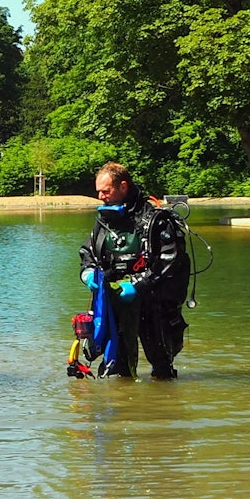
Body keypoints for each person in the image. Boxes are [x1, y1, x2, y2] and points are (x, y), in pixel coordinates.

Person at [78, 162, 189, 379]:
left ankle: (163, 397)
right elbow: (88, 252)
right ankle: (124, 392)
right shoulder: (104, 221)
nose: (100, 197)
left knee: (162, 366)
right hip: (116, 301)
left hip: (154, 301)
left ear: (123, 186)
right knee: (121, 366)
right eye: (98, 191)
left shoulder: (155, 220)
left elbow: (169, 259)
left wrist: (138, 285)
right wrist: (88, 273)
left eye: (106, 191)